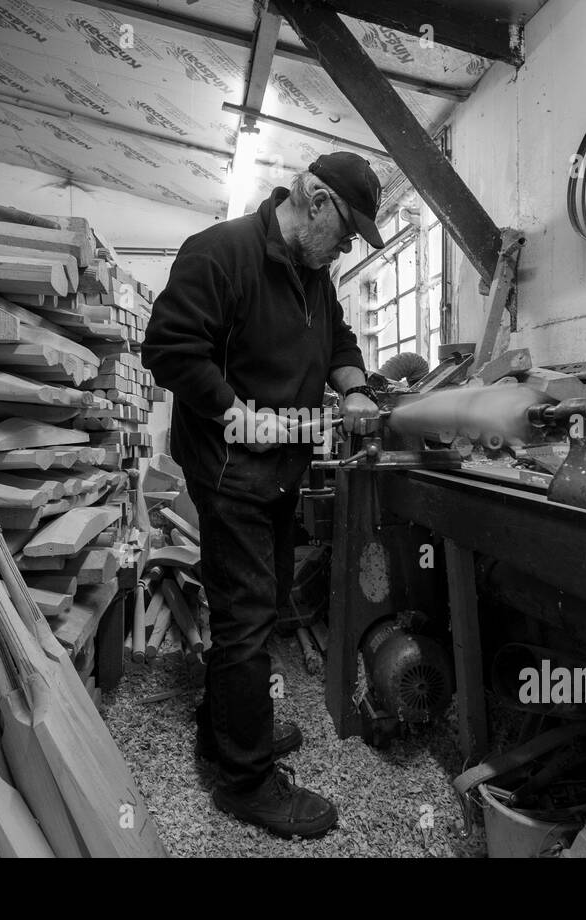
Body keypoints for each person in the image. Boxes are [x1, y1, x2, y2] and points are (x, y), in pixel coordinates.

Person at [142, 152, 384, 839]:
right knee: (246, 618)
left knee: (263, 608)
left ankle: (228, 728)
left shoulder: (314, 276)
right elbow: (167, 348)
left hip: (281, 468)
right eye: (345, 232)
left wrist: (355, 385)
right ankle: (245, 782)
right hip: (231, 470)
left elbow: (337, 339)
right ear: (313, 200)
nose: (344, 249)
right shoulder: (220, 254)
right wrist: (233, 411)